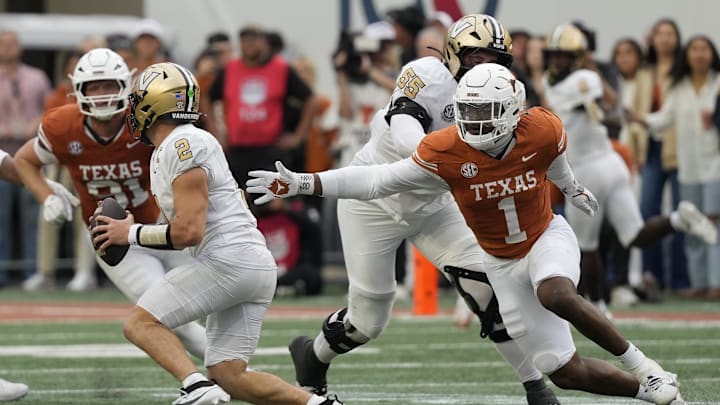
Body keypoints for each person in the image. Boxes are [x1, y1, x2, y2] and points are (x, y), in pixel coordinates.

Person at [246, 63, 686, 405]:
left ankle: (643, 368)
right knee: (562, 368)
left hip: (542, 236)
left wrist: (571, 186)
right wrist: (305, 182)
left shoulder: (542, 127)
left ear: (513, 108)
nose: (474, 122)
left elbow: (554, 158)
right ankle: (650, 393)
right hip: (473, 245)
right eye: (468, 111)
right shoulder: (444, 148)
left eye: (485, 112)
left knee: (551, 292)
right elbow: (379, 180)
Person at [254, 15, 559, 405]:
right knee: (368, 321)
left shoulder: (503, 91)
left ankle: (535, 386)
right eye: (475, 56)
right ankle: (313, 357)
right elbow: (406, 135)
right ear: (453, 54)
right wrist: (445, 159)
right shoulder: (426, 74)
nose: (484, 66)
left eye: (493, 58)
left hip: (434, 204)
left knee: (486, 289)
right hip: (373, 199)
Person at [90, 61, 343, 405]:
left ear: (154, 105)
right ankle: (318, 404)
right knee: (229, 375)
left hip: (229, 260)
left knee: (140, 324)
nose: (132, 110)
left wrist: (129, 233)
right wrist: (137, 230)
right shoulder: (185, 143)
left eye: (138, 101)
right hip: (249, 262)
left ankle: (194, 387)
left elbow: (189, 232)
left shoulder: (182, 144)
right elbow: (191, 225)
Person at [13, 48, 208, 360]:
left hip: (161, 227)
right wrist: (47, 196)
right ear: (77, 89)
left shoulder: (145, 120)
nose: (102, 95)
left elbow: (189, 153)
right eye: (94, 87)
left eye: (109, 85)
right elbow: (23, 160)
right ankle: (213, 380)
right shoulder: (63, 126)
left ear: (127, 85)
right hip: (114, 240)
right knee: (164, 310)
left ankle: (229, 373)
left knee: (214, 302)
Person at [542, 24, 716, 317]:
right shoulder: (557, 81)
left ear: (577, 57)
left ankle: (597, 307)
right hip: (609, 165)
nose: (557, 60)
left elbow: (610, 111)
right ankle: (678, 219)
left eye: (564, 55)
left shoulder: (585, 79)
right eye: (554, 55)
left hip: (589, 170)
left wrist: (599, 110)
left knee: (587, 246)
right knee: (635, 236)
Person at [0, 29, 51, 286]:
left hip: (32, 155)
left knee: (34, 215)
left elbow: (51, 110)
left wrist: (36, 124)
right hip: (2, 153)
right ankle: (3, 273)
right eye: (3, 44)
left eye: (12, 43)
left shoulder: (36, 77)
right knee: (0, 217)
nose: (8, 48)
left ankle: (33, 272)